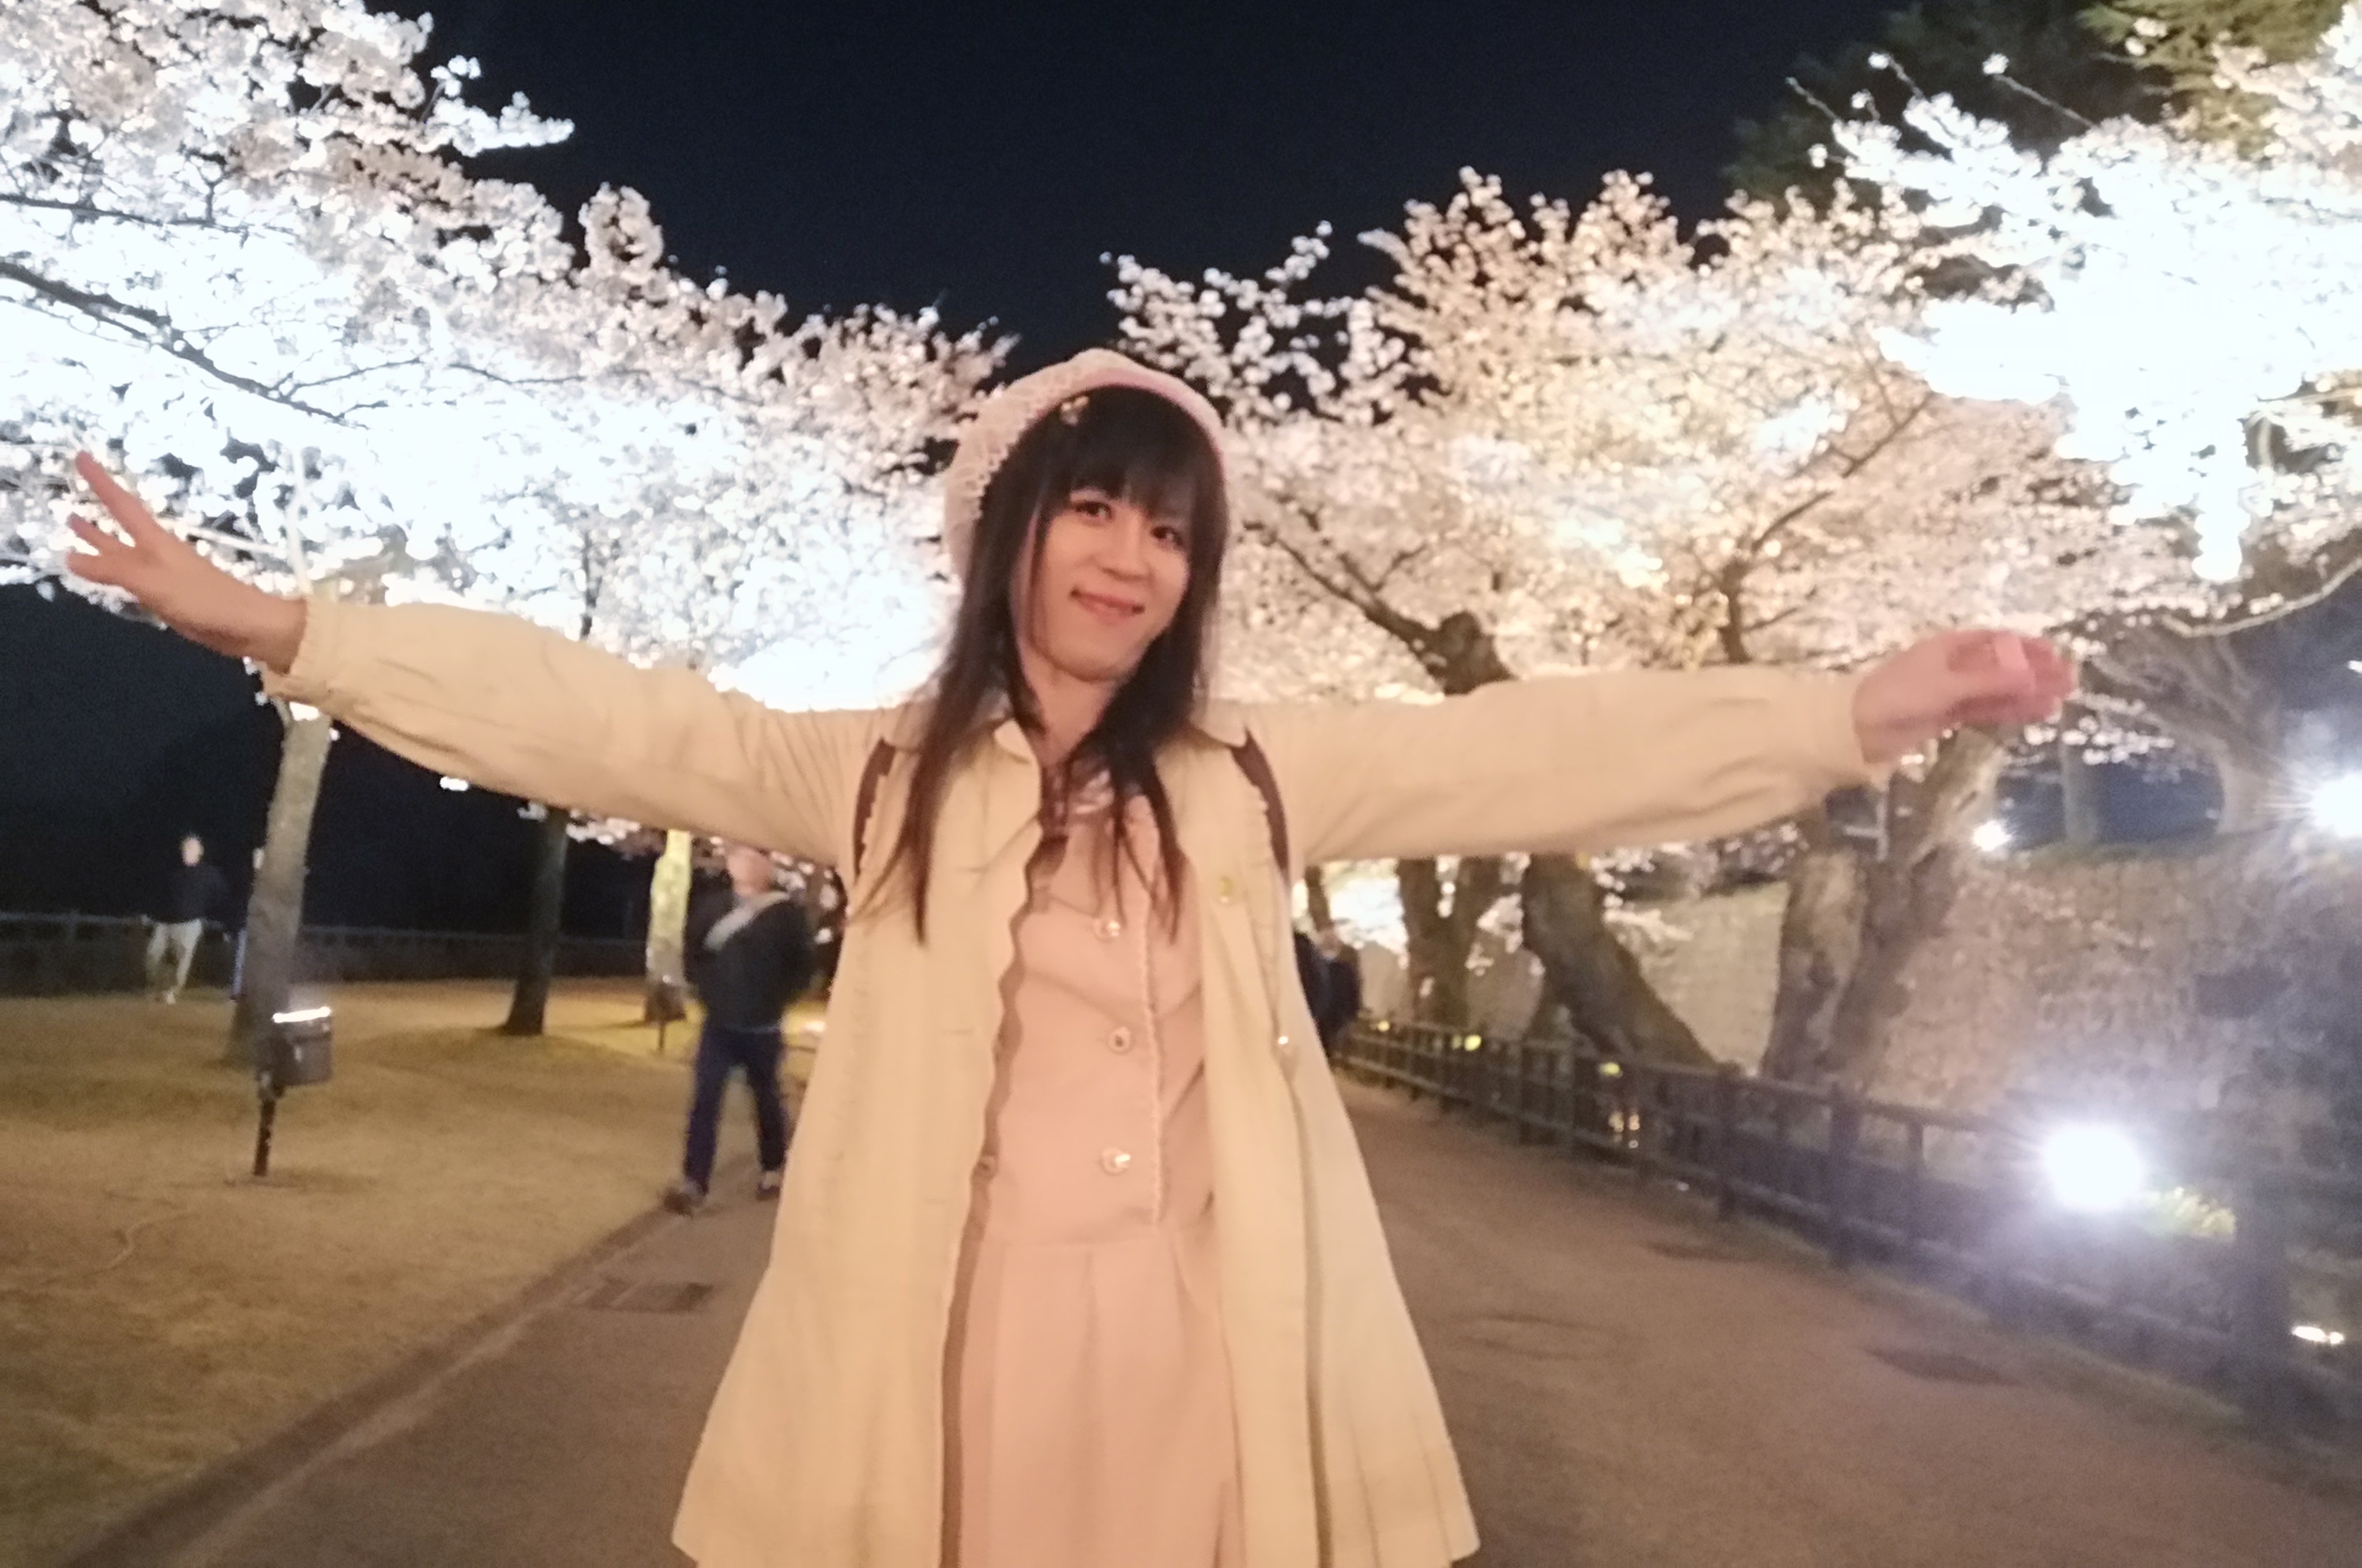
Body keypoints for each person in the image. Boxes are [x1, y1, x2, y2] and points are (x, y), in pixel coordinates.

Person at [62, 349, 2074, 1568]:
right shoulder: (869, 774)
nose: (1130, 557)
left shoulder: (1253, 773)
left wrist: (1853, 707)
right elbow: (604, 721)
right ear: (1007, 532)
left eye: (1169, 532)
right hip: (959, 1342)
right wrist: (299, 633)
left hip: (1214, 1341)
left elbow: (1526, 752)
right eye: (1093, 509)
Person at [667, 840, 814, 1214]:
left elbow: (803, 965)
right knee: (705, 1101)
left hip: (763, 1026)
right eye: (739, 857)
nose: (746, 865)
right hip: (719, 1024)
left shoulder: (786, 915)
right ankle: (694, 1180)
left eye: (755, 858)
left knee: (766, 1098)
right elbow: (693, 952)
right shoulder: (713, 908)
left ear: (768, 865)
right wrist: (708, 992)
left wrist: (777, 999)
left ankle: (772, 1168)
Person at [146, 833, 227, 1003]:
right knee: (153, 955)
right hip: (165, 922)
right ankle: (158, 987)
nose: (187, 851)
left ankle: (172, 992)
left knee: (182, 961)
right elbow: (159, 894)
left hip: (190, 924)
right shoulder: (173, 871)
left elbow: (219, 896)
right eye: (185, 848)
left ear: (200, 852)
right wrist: (153, 914)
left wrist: (202, 910)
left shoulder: (209, 873)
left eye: (191, 848)